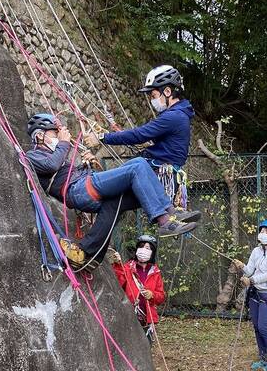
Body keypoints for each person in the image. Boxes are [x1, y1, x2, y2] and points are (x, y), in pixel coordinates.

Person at [25, 113, 199, 269]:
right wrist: (63, 142)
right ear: (40, 135)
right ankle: (165, 220)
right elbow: (52, 165)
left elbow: (61, 168)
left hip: (84, 185)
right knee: (138, 165)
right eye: (54, 132)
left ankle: (91, 255)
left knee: (120, 195)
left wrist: (87, 163)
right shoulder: (33, 155)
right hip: (78, 190)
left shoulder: (57, 152)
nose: (59, 134)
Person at [84, 65, 199, 209]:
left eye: (153, 96)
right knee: (113, 205)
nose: (152, 100)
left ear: (168, 91)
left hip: (157, 173)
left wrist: (102, 137)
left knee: (112, 199)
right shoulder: (180, 114)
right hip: (162, 174)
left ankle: (85, 188)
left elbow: (139, 135)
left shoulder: (173, 116)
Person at [233, 219, 267, 371]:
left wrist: (251, 280)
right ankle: (264, 358)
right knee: (256, 327)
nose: (263, 234)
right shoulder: (256, 251)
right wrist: (242, 266)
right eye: (262, 231)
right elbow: (250, 270)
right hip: (255, 294)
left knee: (263, 328)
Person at [111, 235, 165, 343]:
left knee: (145, 345)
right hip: (129, 315)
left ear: (152, 252)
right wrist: (117, 265)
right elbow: (118, 283)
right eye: (141, 247)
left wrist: (152, 295)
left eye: (147, 248)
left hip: (147, 318)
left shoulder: (155, 272)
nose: (143, 250)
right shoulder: (127, 268)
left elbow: (161, 297)